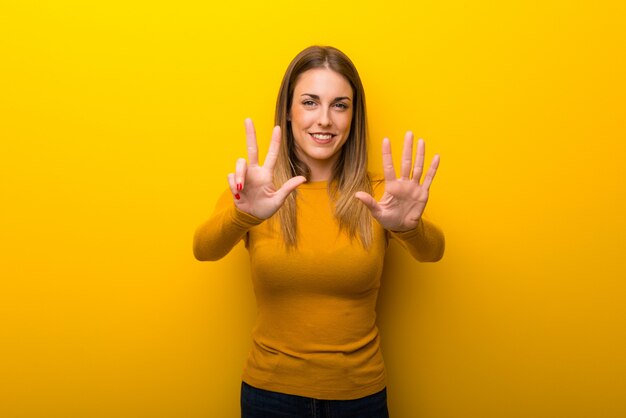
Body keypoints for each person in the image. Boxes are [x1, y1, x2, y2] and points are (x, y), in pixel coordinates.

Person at [193, 45, 445, 418]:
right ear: (289, 113)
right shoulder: (258, 193)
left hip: (360, 397)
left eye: (339, 105)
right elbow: (204, 248)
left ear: (353, 117)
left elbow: (433, 251)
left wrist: (409, 228)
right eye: (310, 102)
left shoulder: (379, 195)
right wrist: (243, 215)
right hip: (269, 395)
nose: (324, 119)